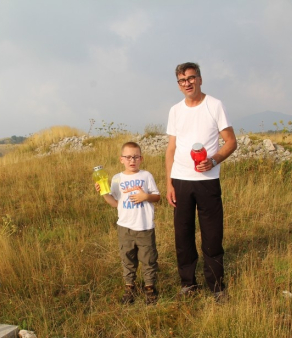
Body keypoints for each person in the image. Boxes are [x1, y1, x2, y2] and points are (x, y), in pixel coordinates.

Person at [165, 62, 237, 302]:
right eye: (182, 80)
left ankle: (216, 287)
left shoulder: (214, 105)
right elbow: (171, 149)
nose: (187, 83)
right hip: (181, 180)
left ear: (200, 79)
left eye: (191, 78)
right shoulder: (175, 110)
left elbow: (230, 142)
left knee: (212, 234)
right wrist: (169, 183)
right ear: (178, 84)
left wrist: (214, 160)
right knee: (182, 234)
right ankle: (188, 284)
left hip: (207, 181)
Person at [95, 141, 161, 305]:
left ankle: (150, 288)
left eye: (136, 157)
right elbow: (115, 202)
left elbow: (157, 197)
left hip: (144, 227)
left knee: (148, 259)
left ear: (141, 158)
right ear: (121, 159)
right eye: (128, 157)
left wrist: (145, 196)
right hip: (125, 227)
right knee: (127, 259)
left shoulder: (146, 176)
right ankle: (129, 287)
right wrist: (103, 193)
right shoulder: (117, 178)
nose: (132, 160)